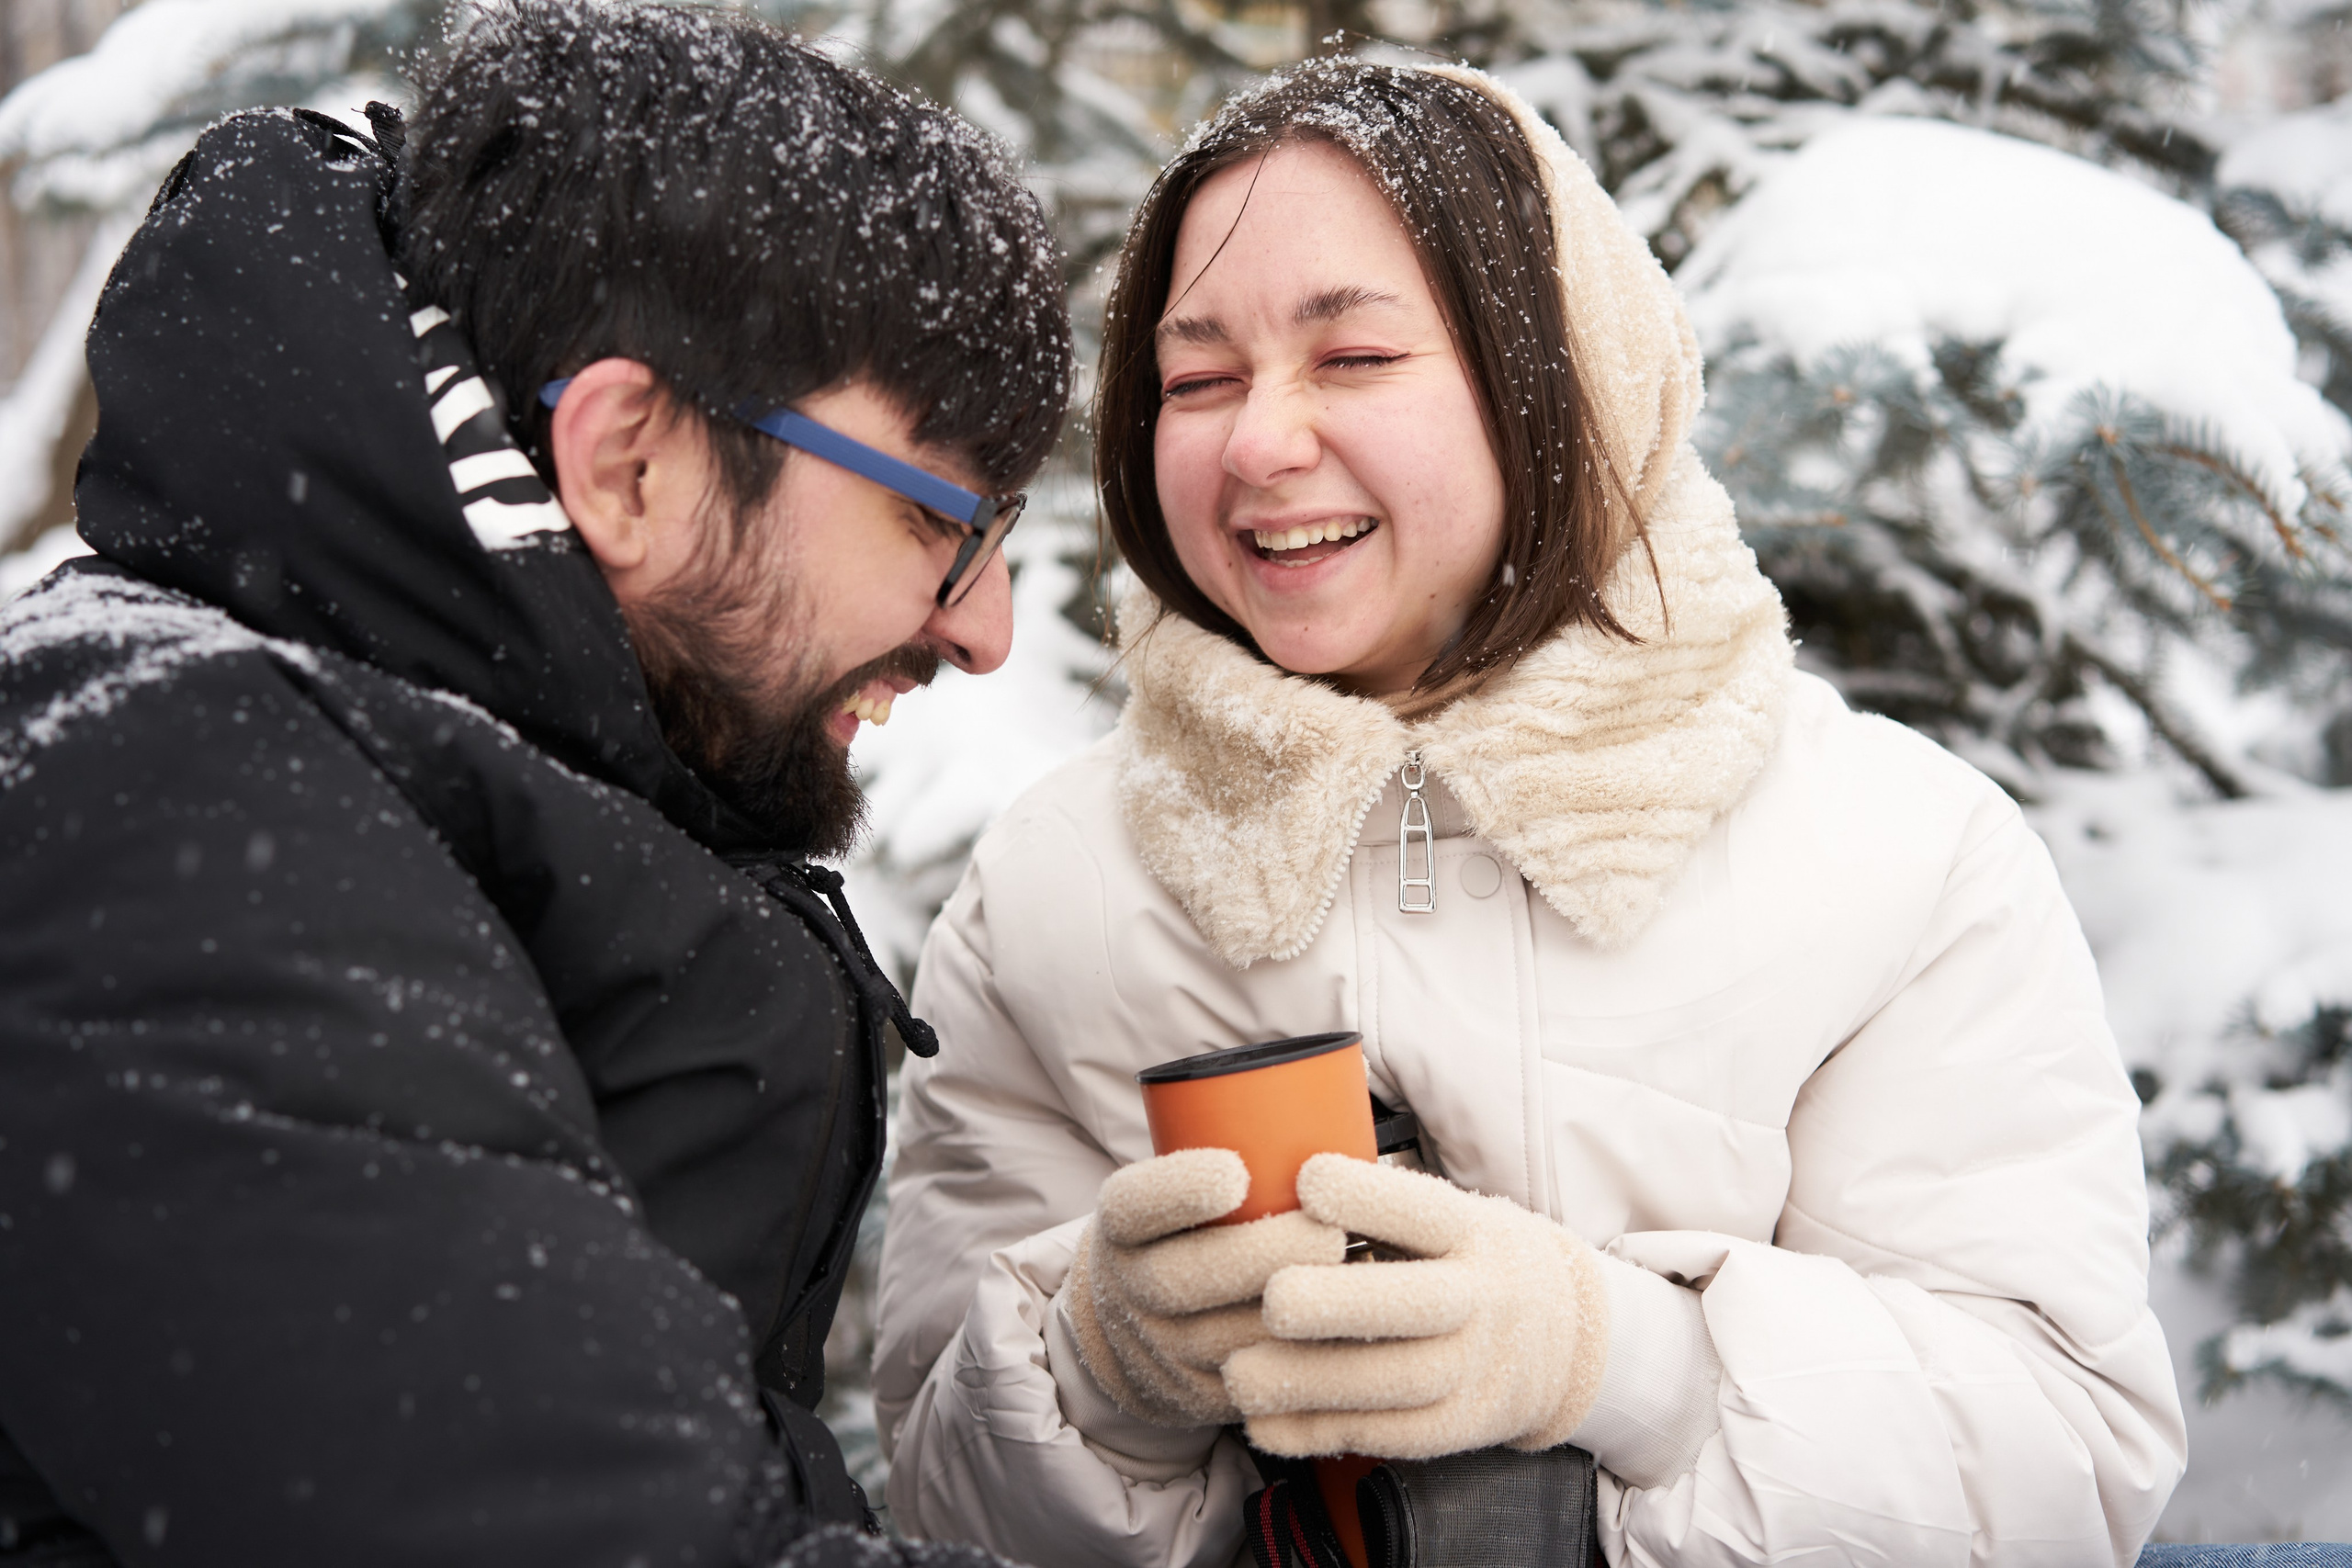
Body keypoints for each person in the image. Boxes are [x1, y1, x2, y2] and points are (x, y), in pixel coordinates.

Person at [873, 59, 2188, 1568]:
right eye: (1197, 379)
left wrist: (1614, 1360)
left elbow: (2062, 1465)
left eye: (1352, 356)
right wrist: (1099, 1372)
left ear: (1556, 372)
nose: (1256, 443)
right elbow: (935, 1499)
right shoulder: (1057, 891)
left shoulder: (1897, 856)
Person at [0, 3, 1069, 1563]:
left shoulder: (488, 752)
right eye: (941, 522)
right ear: (629, 461)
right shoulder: (157, 797)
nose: (987, 628)